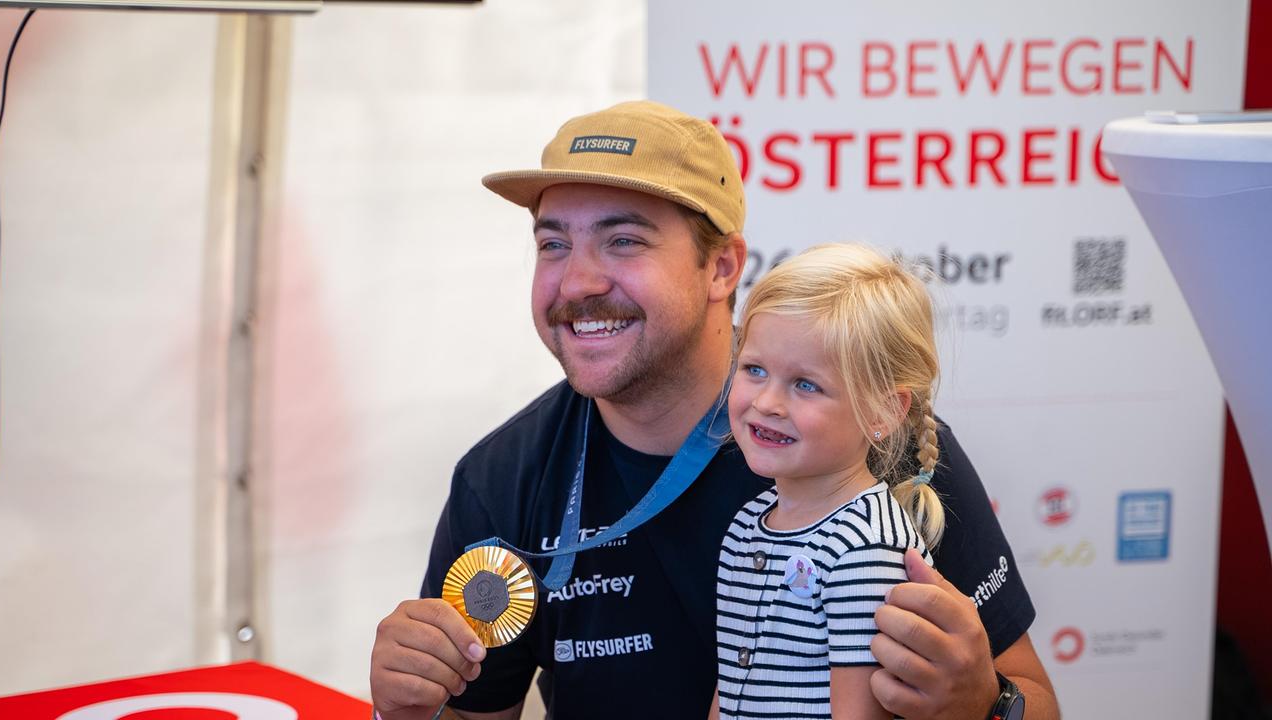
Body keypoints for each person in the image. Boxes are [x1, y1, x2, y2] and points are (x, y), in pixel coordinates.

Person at [370, 100, 1058, 720]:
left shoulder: (880, 444)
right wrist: (408, 711)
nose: (576, 281)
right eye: (553, 243)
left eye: (624, 240)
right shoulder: (502, 478)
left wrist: (984, 704)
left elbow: (1038, 701)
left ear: (723, 268)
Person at [713, 244, 946, 720]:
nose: (768, 402)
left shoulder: (863, 549)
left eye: (806, 384)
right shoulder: (745, 527)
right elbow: (733, 684)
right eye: (754, 370)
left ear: (883, 411)